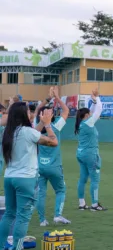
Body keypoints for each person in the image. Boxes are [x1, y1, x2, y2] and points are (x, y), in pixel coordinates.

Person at [0, 104, 58, 250]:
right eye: (28, 111)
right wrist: (47, 125)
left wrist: (42, 122)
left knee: (9, 214)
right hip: (26, 180)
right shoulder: (28, 132)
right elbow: (54, 142)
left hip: (10, 177)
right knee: (23, 217)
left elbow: (32, 134)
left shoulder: (9, 132)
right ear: (22, 115)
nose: (31, 113)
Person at [36, 87, 71, 226]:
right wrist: (57, 97)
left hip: (40, 166)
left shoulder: (36, 130)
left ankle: (42, 220)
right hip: (55, 166)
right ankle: (57, 215)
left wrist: (48, 98)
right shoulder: (55, 128)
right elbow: (66, 111)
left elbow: (39, 108)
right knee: (61, 190)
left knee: (41, 193)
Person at [75, 90, 106, 211]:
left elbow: (92, 110)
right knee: (95, 180)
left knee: (83, 179)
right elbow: (98, 110)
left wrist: (93, 100)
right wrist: (97, 98)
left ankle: (82, 203)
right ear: (86, 115)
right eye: (89, 113)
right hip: (90, 155)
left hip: (81, 154)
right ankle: (94, 204)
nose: (91, 113)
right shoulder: (88, 122)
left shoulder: (82, 123)